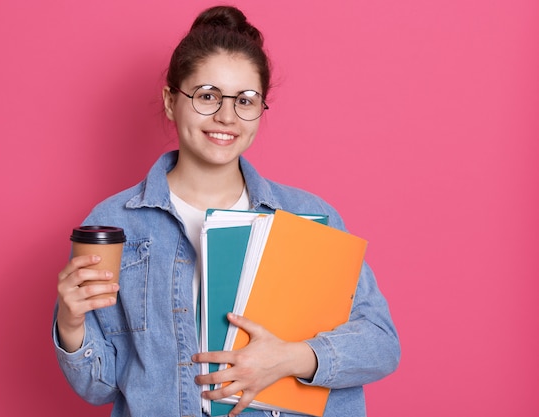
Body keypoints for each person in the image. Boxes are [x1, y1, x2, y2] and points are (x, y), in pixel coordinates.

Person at [53, 5, 400, 417]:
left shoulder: (310, 217)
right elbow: (100, 386)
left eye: (246, 100)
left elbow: (380, 344)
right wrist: (71, 325)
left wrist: (290, 359)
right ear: (170, 101)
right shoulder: (117, 223)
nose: (226, 116)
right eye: (207, 96)